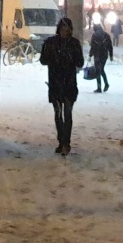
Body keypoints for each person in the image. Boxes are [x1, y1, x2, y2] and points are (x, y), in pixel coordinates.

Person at [39, 17, 83, 155]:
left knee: (67, 113)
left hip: (68, 84)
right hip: (56, 83)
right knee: (58, 113)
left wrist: (69, 58)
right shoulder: (51, 43)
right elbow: (43, 60)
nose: (65, 32)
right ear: (59, 29)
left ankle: (66, 143)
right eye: (63, 29)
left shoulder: (74, 44)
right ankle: (61, 141)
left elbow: (80, 62)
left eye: (67, 30)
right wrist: (53, 56)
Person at [88, 21, 113, 93]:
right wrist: (111, 55)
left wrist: (90, 55)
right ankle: (106, 84)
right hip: (104, 55)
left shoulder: (95, 35)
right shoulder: (106, 35)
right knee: (101, 70)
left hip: (97, 55)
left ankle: (100, 87)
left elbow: (93, 46)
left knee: (98, 71)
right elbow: (110, 46)